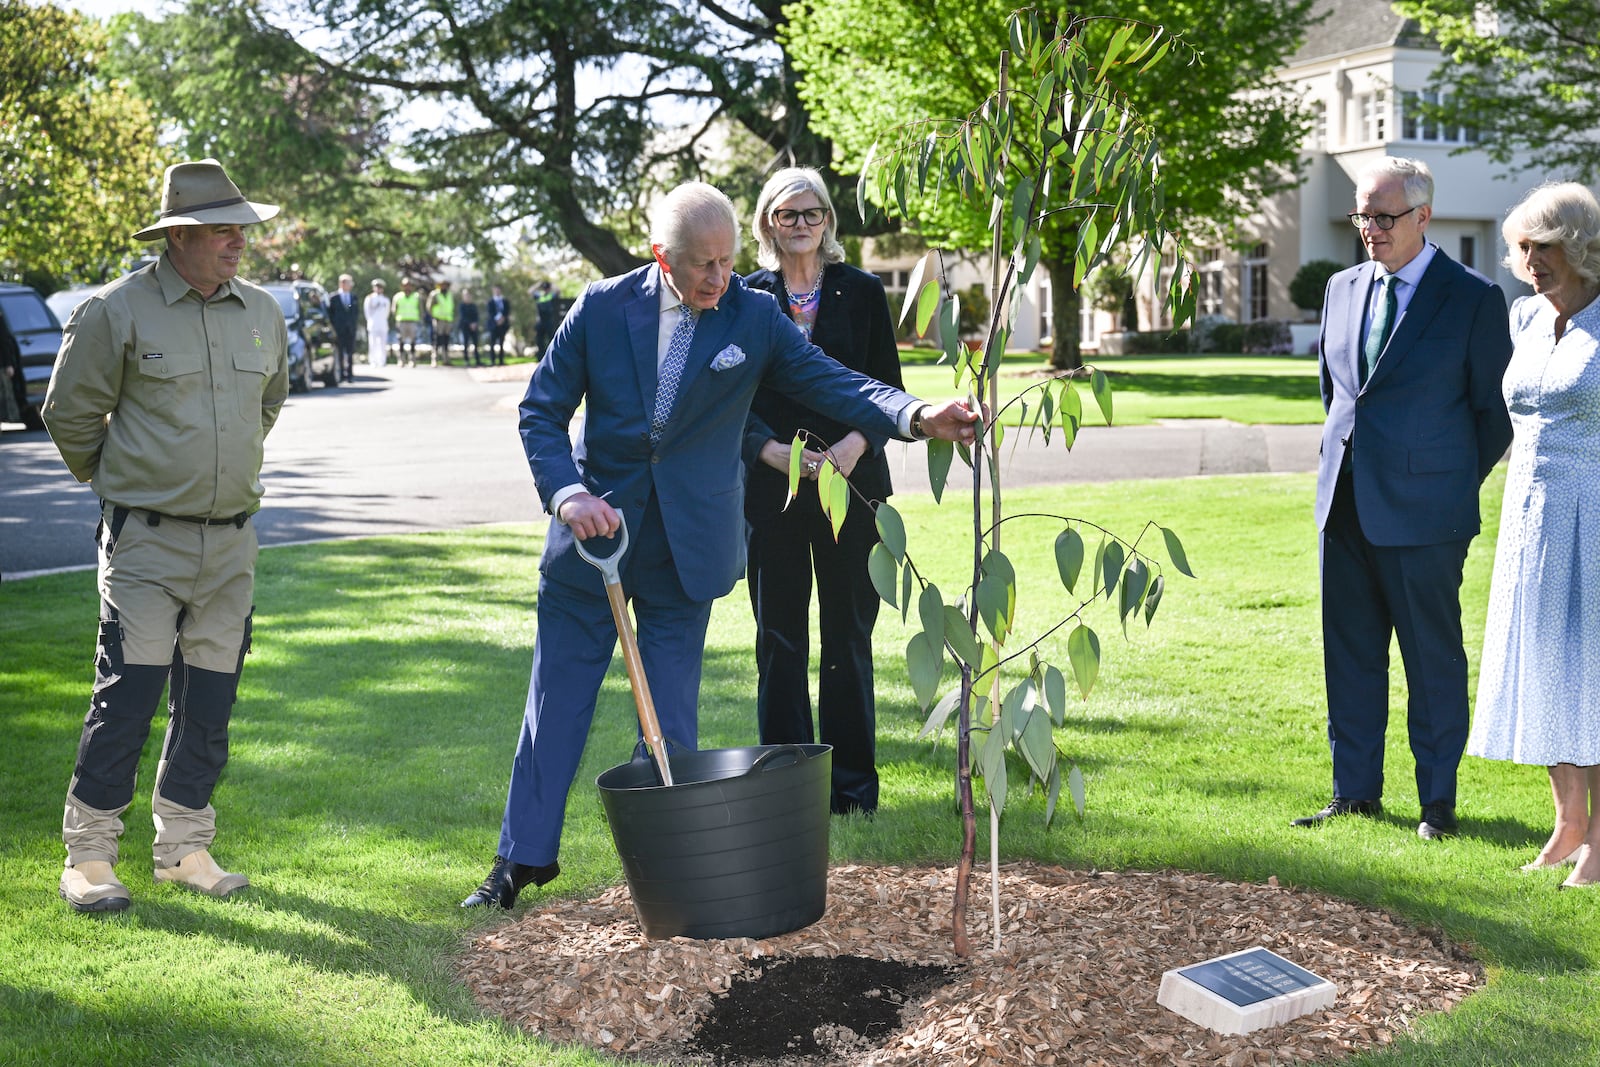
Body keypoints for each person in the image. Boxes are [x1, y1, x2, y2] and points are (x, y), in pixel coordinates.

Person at [460, 181, 982, 909]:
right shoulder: (603, 308)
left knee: (669, 721)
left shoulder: (752, 315)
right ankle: (519, 861)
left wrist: (920, 413)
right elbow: (541, 411)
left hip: (688, 545)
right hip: (594, 540)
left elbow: (838, 385)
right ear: (660, 256)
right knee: (556, 702)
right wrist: (567, 493)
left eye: (727, 260)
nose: (717, 278)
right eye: (701, 264)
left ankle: (669, 874)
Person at [40, 158, 289, 912]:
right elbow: (68, 415)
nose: (237, 242)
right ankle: (88, 855)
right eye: (222, 229)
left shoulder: (263, 313)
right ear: (179, 235)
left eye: (241, 229)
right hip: (146, 543)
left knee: (210, 702)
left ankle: (183, 845)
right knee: (128, 695)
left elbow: (264, 409)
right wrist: (130, 483)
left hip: (233, 545)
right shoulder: (115, 310)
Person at [1296, 157, 1513, 840]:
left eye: (1384, 216)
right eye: (1363, 215)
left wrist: (1444, 485)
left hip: (1428, 518)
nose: (1369, 228)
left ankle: (1437, 803)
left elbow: (1492, 414)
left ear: (1424, 216)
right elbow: (1338, 396)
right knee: (1351, 656)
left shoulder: (1473, 298)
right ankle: (1354, 793)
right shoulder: (1340, 288)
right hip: (1346, 506)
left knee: (1432, 659)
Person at [742, 167, 902, 815]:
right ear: (767, 223)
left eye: (813, 214)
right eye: (788, 215)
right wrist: (773, 451)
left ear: (829, 221)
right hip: (773, 492)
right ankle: (787, 790)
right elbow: (730, 395)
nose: (802, 225)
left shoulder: (861, 291)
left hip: (854, 488)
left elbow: (885, 385)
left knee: (848, 637)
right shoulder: (746, 297)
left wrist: (851, 447)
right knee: (779, 639)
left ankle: (853, 794)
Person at [1466, 182, 1600, 886]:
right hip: (1528, 516)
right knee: (1547, 664)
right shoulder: (1524, 318)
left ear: (1577, 245)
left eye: (1543, 246)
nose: (1531, 260)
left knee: (1592, 674)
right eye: (1523, 247)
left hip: (1593, 515)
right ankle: (1567, 824)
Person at [327, 273, 360, 382]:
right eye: (348, 283)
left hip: (350, 329)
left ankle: (350, 374)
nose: (350, 285)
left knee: (350, 352)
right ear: (342, 284)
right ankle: (340, 374)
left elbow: (355, 313)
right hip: (338, 330)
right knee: (340, 352)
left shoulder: (353, 297)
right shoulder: (333, 297)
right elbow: (330, 314)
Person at [392, 278, 422, 367]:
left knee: (413, 341)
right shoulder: (398, 296)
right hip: (401, 321)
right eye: (405, 285)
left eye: (409, 285)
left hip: (413, 321)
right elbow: (394, 310)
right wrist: (396, 319)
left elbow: (421, 310)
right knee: (401, 341)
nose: (407, 287)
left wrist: (420, 320)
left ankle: (412, 359)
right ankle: (401, 359)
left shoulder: (417, 296)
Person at [363, 279, 391, 369]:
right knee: (373, 343)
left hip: (383, 324)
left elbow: (387, 313)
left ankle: (382, 360)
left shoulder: (386, 299)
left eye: (380, 287)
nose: (378, 289)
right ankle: (373, 361)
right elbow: (367, 312)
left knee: (383, 343)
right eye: (377, 287)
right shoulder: (369, 298)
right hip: (373, 324)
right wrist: (370, 321)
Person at [428, 279, 456, 366]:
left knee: (446, 340)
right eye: (442, 285)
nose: (444, 287)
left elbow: (452, 307)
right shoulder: (435, 294)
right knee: (437, 339)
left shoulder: (450, 295)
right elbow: (429, 307)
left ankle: (446, 359)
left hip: (448, 320)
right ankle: (434, 358)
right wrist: (434, 316)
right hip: (438, 320)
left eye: (445, 285)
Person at [486, 284, 511, 366]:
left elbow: (507, 311)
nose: (497, 291)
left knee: (501, 343)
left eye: (498, 289)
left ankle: (501, 360)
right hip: (494, 325)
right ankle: (493, 360)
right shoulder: (490, 302)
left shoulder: (505, 301)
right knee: (492, 343)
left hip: (503, 325)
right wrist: (497, 319)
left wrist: (502, 319)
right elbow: (490, 313)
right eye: (495, 289)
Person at [533, 280, 558, 358]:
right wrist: (538, 284)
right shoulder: (539, 296)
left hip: (549, 320)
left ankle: (551, 356)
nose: (545, 290)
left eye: (546, 288)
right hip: (541, 321)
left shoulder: (551, 295)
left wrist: (551, 284)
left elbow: (558, 290)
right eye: (544, 288)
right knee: (539, 340)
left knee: (551, 339)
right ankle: (541, 357)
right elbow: (530, 291)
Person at [458, 286, 482, 366]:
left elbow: (476, 316)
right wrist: (470, 324)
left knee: (475, 344)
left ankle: (477, 360)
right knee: (466, 344)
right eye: (466, 295)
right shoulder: (462, 306)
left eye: (468, 295)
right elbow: (463, 317)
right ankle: (466, 360)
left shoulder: (473, 306)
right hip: (465, 327)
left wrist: (475, 323)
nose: (467, 297)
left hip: (474, 327)